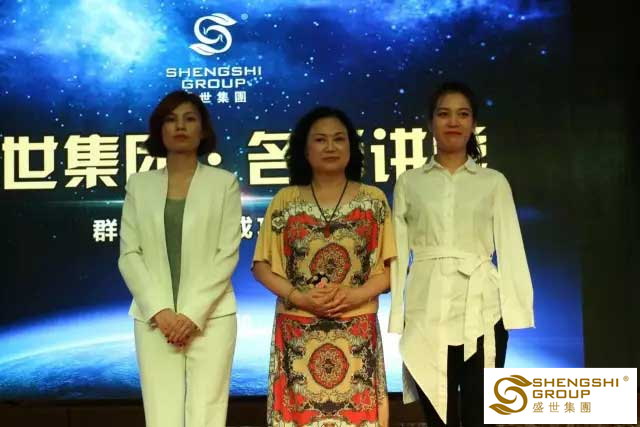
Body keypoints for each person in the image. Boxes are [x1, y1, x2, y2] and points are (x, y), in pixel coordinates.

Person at [389, 82, 535, 426]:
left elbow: (511, 246)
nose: (453, 122)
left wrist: (516, 312)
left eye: (463, 114)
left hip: (482, 310)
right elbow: (397, 253)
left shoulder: (493, 181)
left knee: (478, 415)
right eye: (444, 114)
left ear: (473, 124)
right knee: (437, 417)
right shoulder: (410, 182)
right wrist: (398, 314)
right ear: (430, 123)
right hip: (426, 311)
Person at [252, 106, 396, 427]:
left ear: (351, 147)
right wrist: (299, 297)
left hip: (356, 335)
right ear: (305, 150)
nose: (330, 147)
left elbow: (391, 271)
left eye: (338, 139)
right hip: (297, 336)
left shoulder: (373, 201)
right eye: (320, 140)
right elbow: (262, 267)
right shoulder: (285, 201)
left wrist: (354, 295)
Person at [118, 90, 241, 427]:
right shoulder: (139, 185)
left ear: (203, 130)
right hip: (154, 320)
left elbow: (226, 254)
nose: (180, 126)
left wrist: (191, 314)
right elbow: (129, 254)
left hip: (212, 317)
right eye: (171, 120)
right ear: (160, 130)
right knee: (161, 414)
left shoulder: (224, 183)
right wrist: (160, 311)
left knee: (207, 413)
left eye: (189, 119)